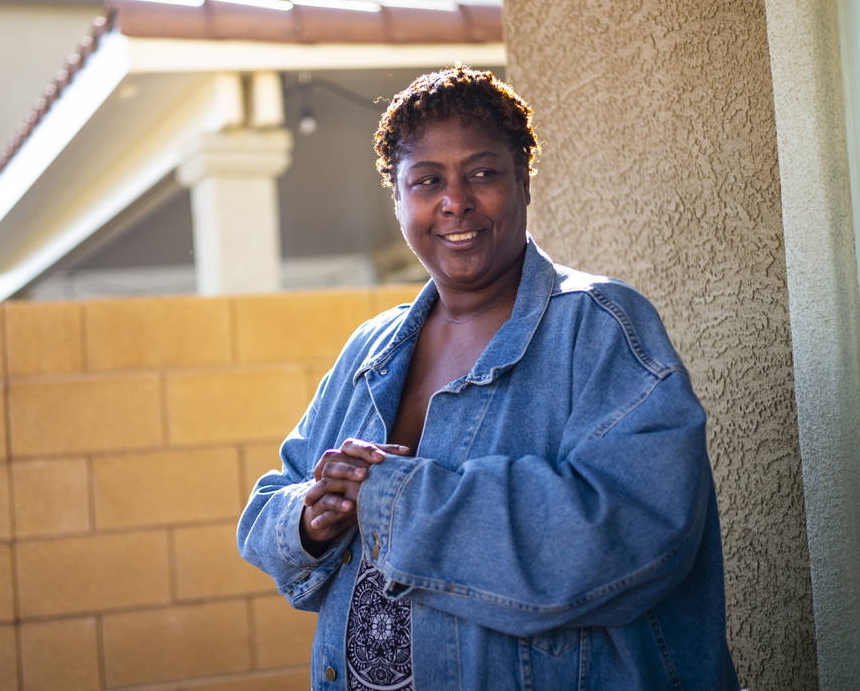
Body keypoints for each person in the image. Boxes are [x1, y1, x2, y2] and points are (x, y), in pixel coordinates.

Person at [237, 65, 739, 690]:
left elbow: (629, 537)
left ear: (523, 180)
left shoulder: (599, 327)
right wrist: (313, 517)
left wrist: (389, 498)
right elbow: (266, 509)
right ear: (397, 199)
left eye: (482, 173)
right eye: (427, 181)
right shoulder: (372, 349)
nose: (456, 201)